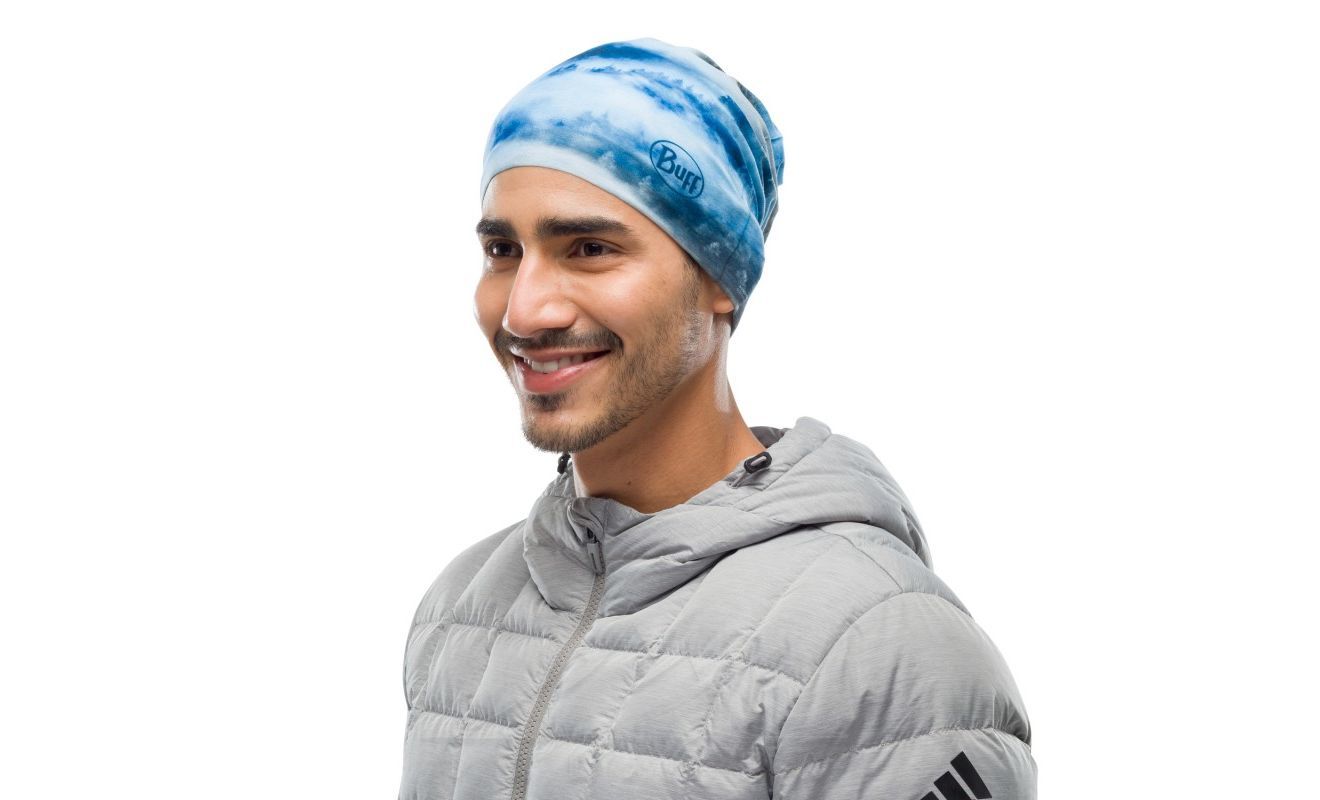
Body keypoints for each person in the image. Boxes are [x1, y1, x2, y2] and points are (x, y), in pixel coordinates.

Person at [398, 37, 1036, 800]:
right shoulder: (464, 606)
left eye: (590, 248)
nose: (525, 310)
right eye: (504, 250)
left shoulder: (879, 640)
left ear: (719, 277)